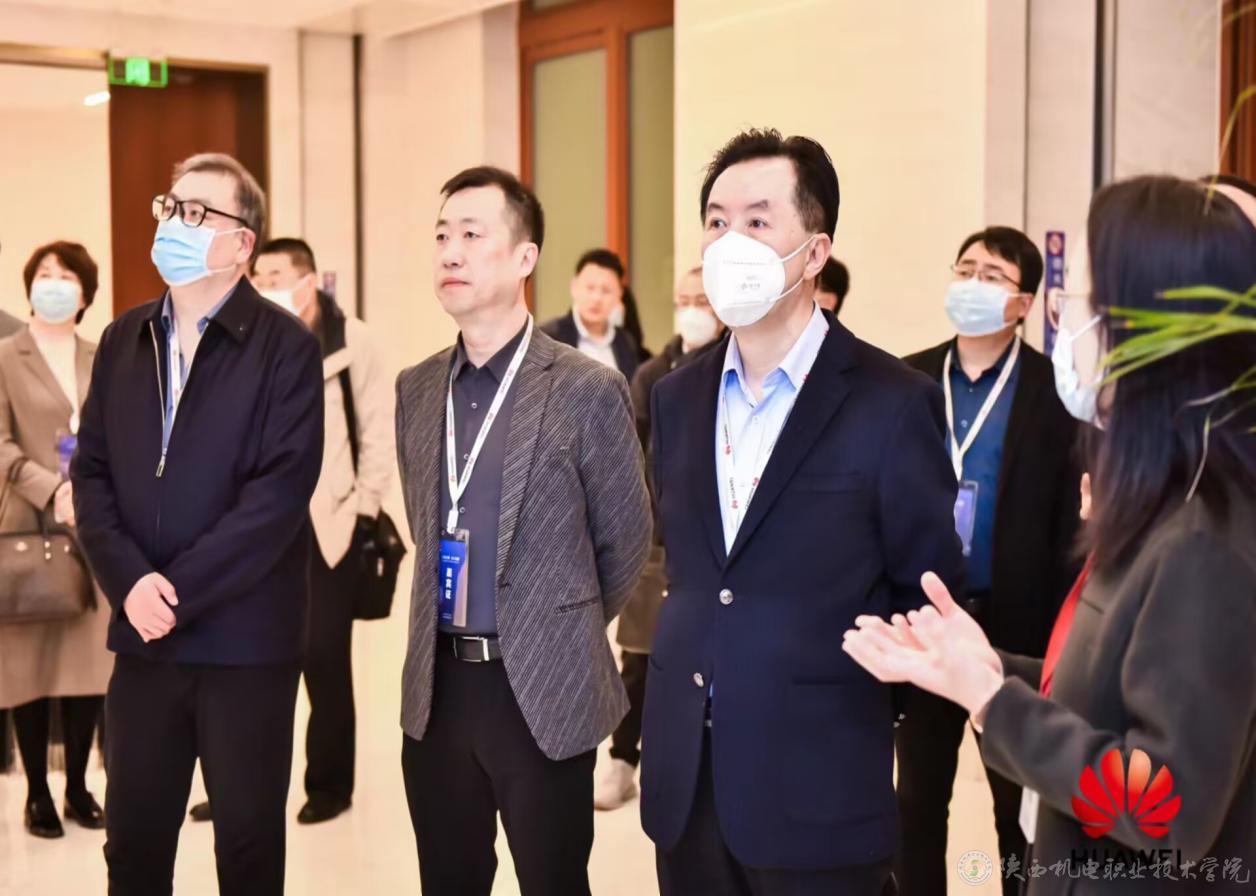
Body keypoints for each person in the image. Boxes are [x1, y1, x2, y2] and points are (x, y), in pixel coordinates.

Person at [843, 174, 1256, 895]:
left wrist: (993, 701)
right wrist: (989, 665)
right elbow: (1109, 693)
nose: (1072, 324)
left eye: (1092, 301)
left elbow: (1165, 811)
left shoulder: (1204, 538)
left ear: (1157, 330)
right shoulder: (1160, 503)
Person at [641, 128, 965, 895]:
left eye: (758, 221)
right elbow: (689, 567)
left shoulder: (892, 402)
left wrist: (834, 699)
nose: (730, 242)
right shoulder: (675, 398)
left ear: (815, 252)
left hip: (820, 786)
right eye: (717, 222)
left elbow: (925, 594)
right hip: (688, 780)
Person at [71, 152, 324, 896]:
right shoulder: (124, 339)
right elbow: (92, 475)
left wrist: (170, 592)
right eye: (169, 207)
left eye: (195, 213)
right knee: (133, 844)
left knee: (246, 847)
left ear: (242, 242)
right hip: (143, 642)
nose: (172, 225)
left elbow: (276, 500)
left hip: (245, 645)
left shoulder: (285, 348)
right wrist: (129, 583)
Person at [394, 166, 651, 896]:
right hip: (437, 690)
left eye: (472, 235)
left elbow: (625, 540)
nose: (450, 253)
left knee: (554, 881)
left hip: (542, 687)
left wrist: (556, 619)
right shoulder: (417, 387)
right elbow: (422, 520)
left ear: (524, 257)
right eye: (442, 236)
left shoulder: (586, 388)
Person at [897, 226, 1082, 896]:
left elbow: (1068, 528)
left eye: (993, 276)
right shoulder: (907, 379)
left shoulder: (1055, 392)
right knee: (916, 804)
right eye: (966, 269)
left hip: (1014, 628)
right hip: (923, 621)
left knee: (1016, 812)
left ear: (1024, 303)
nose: (973, 284)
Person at [187, 238, 395, 827]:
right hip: (254, 521)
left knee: (324, 657)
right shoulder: (246, 336)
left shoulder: (353, 341)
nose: (265, 284)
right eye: (259, 274)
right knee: (246, 656)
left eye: (276, 274)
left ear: (307, 280)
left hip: (329, 521)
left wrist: (363, 510)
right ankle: (235, 785)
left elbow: (377, 431)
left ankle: (329, 785)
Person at [595, 265, 723, 811]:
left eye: (703, 300)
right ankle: (623, 760)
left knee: (705, 660)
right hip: (656, 542)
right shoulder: (652, 375)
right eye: (684, 300)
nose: (692, 310)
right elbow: (629, 458)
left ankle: (693, 762)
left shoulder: (732, 367)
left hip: (713, 546)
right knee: (640, 658)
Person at [0, 241, 112, 838]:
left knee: (87, 662)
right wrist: (52, 489)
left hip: (95, 523)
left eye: (66, 276)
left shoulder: (103, 355)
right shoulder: (5, 356)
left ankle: (77, 789)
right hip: (29, 524)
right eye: (44, 274)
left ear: (85, 292)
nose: (54, 284)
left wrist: (89, 490)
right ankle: (37, 793)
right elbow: (0, 444)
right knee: (30, 663)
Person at [540, 247, 641, 381]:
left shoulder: (626, 342)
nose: (596, 298)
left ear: (619, 294)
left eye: (606, 290)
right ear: (574, 287)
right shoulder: (549, 336)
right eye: (590, 288)